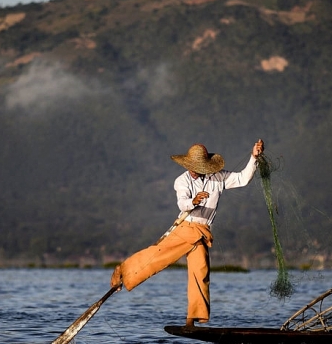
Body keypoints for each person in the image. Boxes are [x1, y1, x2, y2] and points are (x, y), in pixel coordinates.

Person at [110, 139, 265, 327]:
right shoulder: (181, 181)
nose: (193, 170)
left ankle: (192, 320)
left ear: (205, 167)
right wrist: (195, 201)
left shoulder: (217, 177)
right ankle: (122, 272)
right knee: (158, 256)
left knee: (200, 272)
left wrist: (254, 157)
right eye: (191, 167)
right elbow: (183, 204)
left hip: (202, 231)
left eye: (197, 167)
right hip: (186, 228)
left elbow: (242, 179)